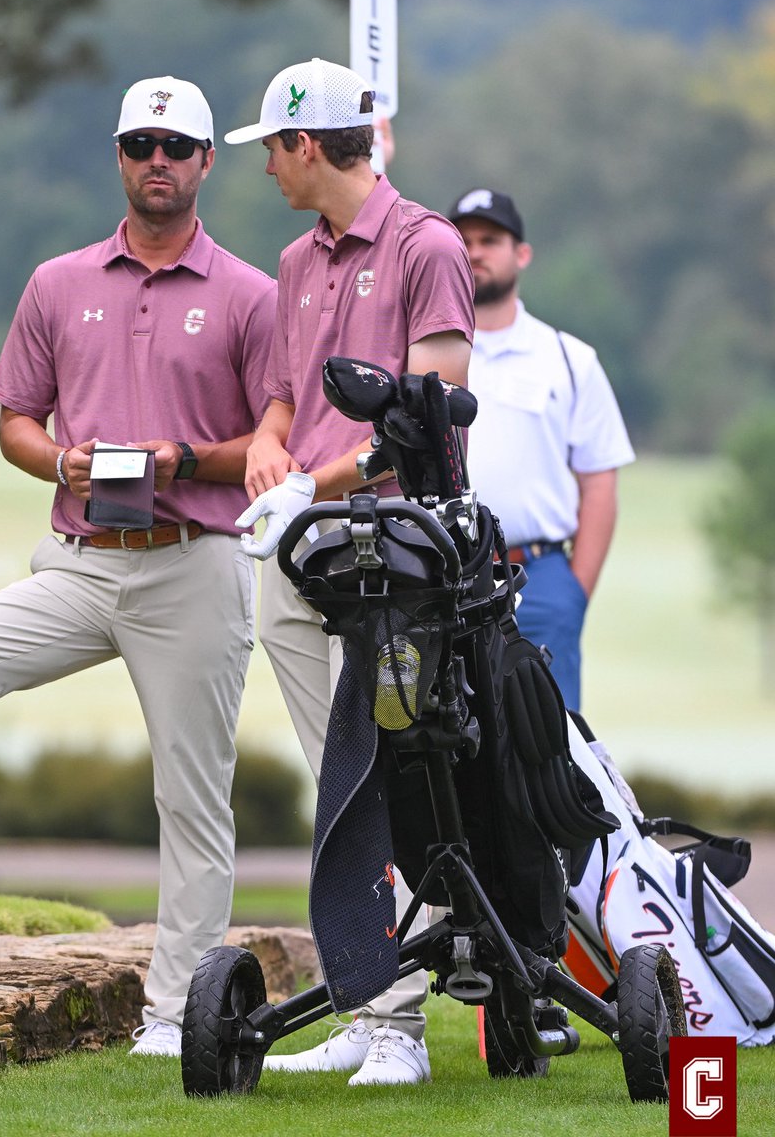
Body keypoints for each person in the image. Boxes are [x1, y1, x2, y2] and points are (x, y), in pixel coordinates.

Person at [0, 76, 277, 1058]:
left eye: (175, 145)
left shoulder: (252, 295)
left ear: (209, 161)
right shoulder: (58, 283)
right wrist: (62, 460)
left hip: (195, 563)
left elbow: (270, 438)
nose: (156, 159)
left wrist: (185, 460)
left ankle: (177, 1018)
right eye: (138, 143)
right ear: (118, 157)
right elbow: (14, 423)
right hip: (80, 558)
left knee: (191, 794)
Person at [223, 57, 475, 1086]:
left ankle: (402, 1031)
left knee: (385, 777)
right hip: (299, 546)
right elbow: (282, 397)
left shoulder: (429, 245)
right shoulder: (295, 262)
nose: (268, 170)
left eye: (272, 150)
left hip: (394, 553)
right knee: (335, 784)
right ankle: (366, 1010)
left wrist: (317, 484)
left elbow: (428, 406)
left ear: (306, 145)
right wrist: (266, 451)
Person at [448, 188, 634, 711]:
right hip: (447, 575)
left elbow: (599, 481)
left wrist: (574, 594)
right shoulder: (426, 355)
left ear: (521, 253)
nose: (476, 251)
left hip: (542, 577)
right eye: (463, 240)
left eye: (491, 239)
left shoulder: (569, 359)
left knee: (555, 751)